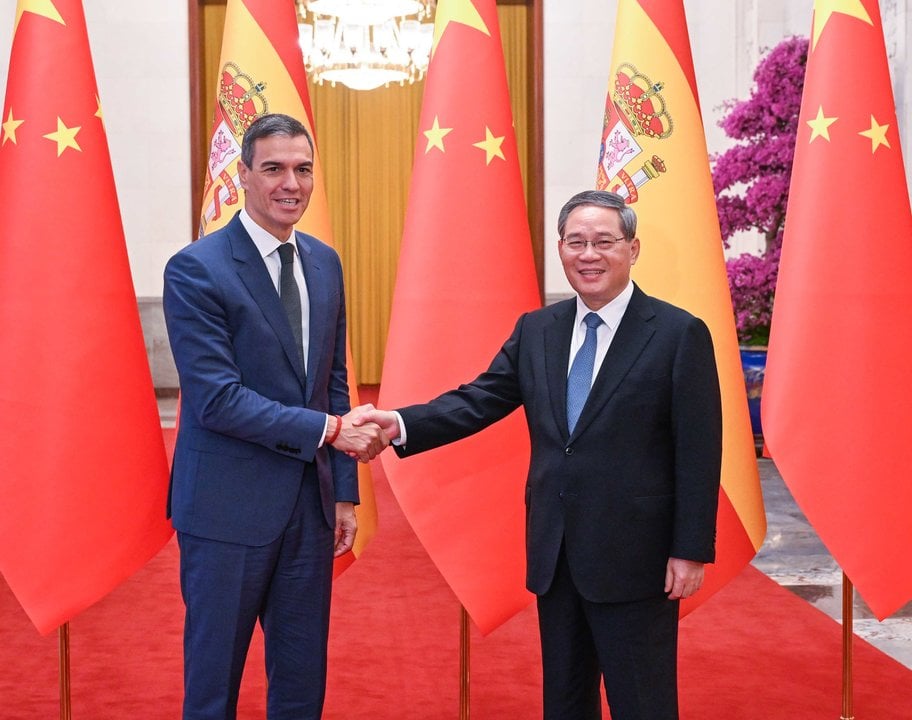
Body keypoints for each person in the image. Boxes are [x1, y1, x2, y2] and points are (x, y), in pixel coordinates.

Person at [357, 190, 722, 720]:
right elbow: (479, 399)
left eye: (603, 242)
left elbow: (699, 449)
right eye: (576, 242)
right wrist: (400, 423)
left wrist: (689, 549)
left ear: (633, 248)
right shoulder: (538, 330)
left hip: (637, 556)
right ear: (560, 248)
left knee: (642, 701)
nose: (588, 255)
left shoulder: (676, 333)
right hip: (557, 552)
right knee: (565, 701)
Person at [163, 112, 386, 720]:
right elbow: (217, 398)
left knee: (300, 685)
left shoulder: (324, 263)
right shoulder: (196, 269)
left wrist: (344, 492)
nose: (292, 183)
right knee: (213, 689)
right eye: (275, 169)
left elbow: (333, 382)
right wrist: (332, 433)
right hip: (224, 511)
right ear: (243, 177)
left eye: (303, 169)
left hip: (309, 511)